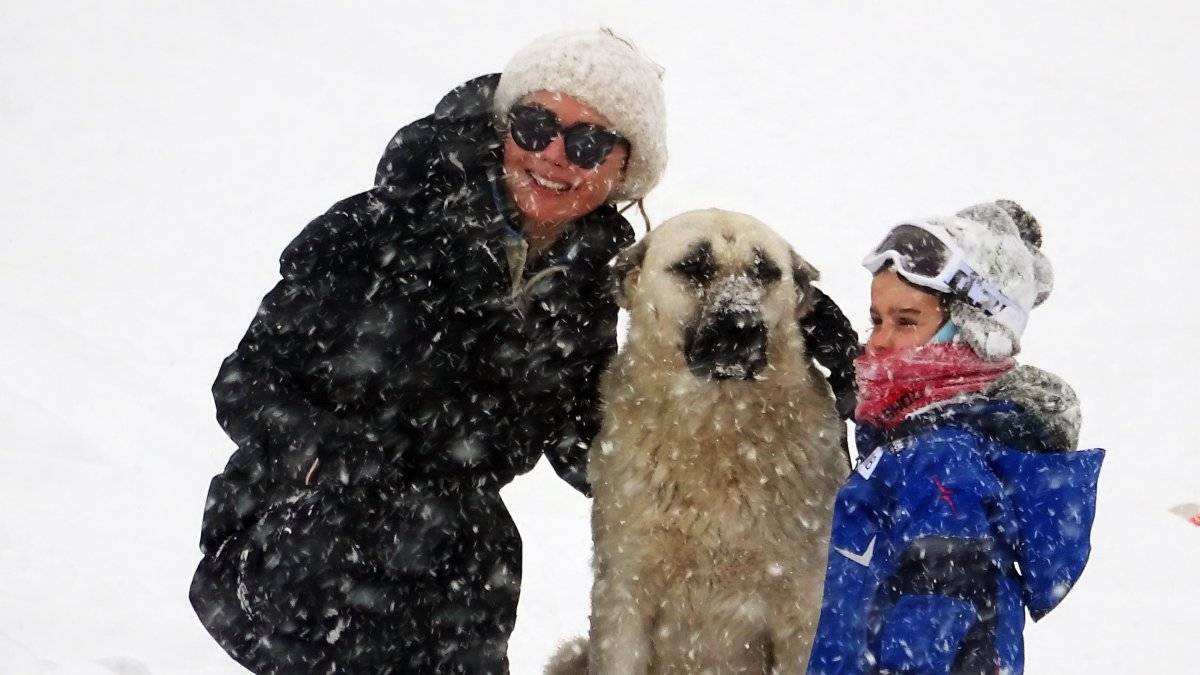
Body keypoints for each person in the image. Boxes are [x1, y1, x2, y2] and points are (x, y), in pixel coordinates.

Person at [189, 27, 861, 674]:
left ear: (625, 167)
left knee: (477, 552)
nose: (554, 155)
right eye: (535, 127)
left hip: (451, 541)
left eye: (589, 141)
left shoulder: (591, 287)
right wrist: (334, 466)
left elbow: (586, 442)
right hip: (293, 524)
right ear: (506, 127)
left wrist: (790, 331)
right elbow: (246, 383)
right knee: (359, 564)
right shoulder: (376, 230)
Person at [806, 200, 1105, 675]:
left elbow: (931, 645)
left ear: (975, 333)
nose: (879, 341)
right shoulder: (916, 444)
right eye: (877, 319)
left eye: (905, 321)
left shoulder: (942, 461)